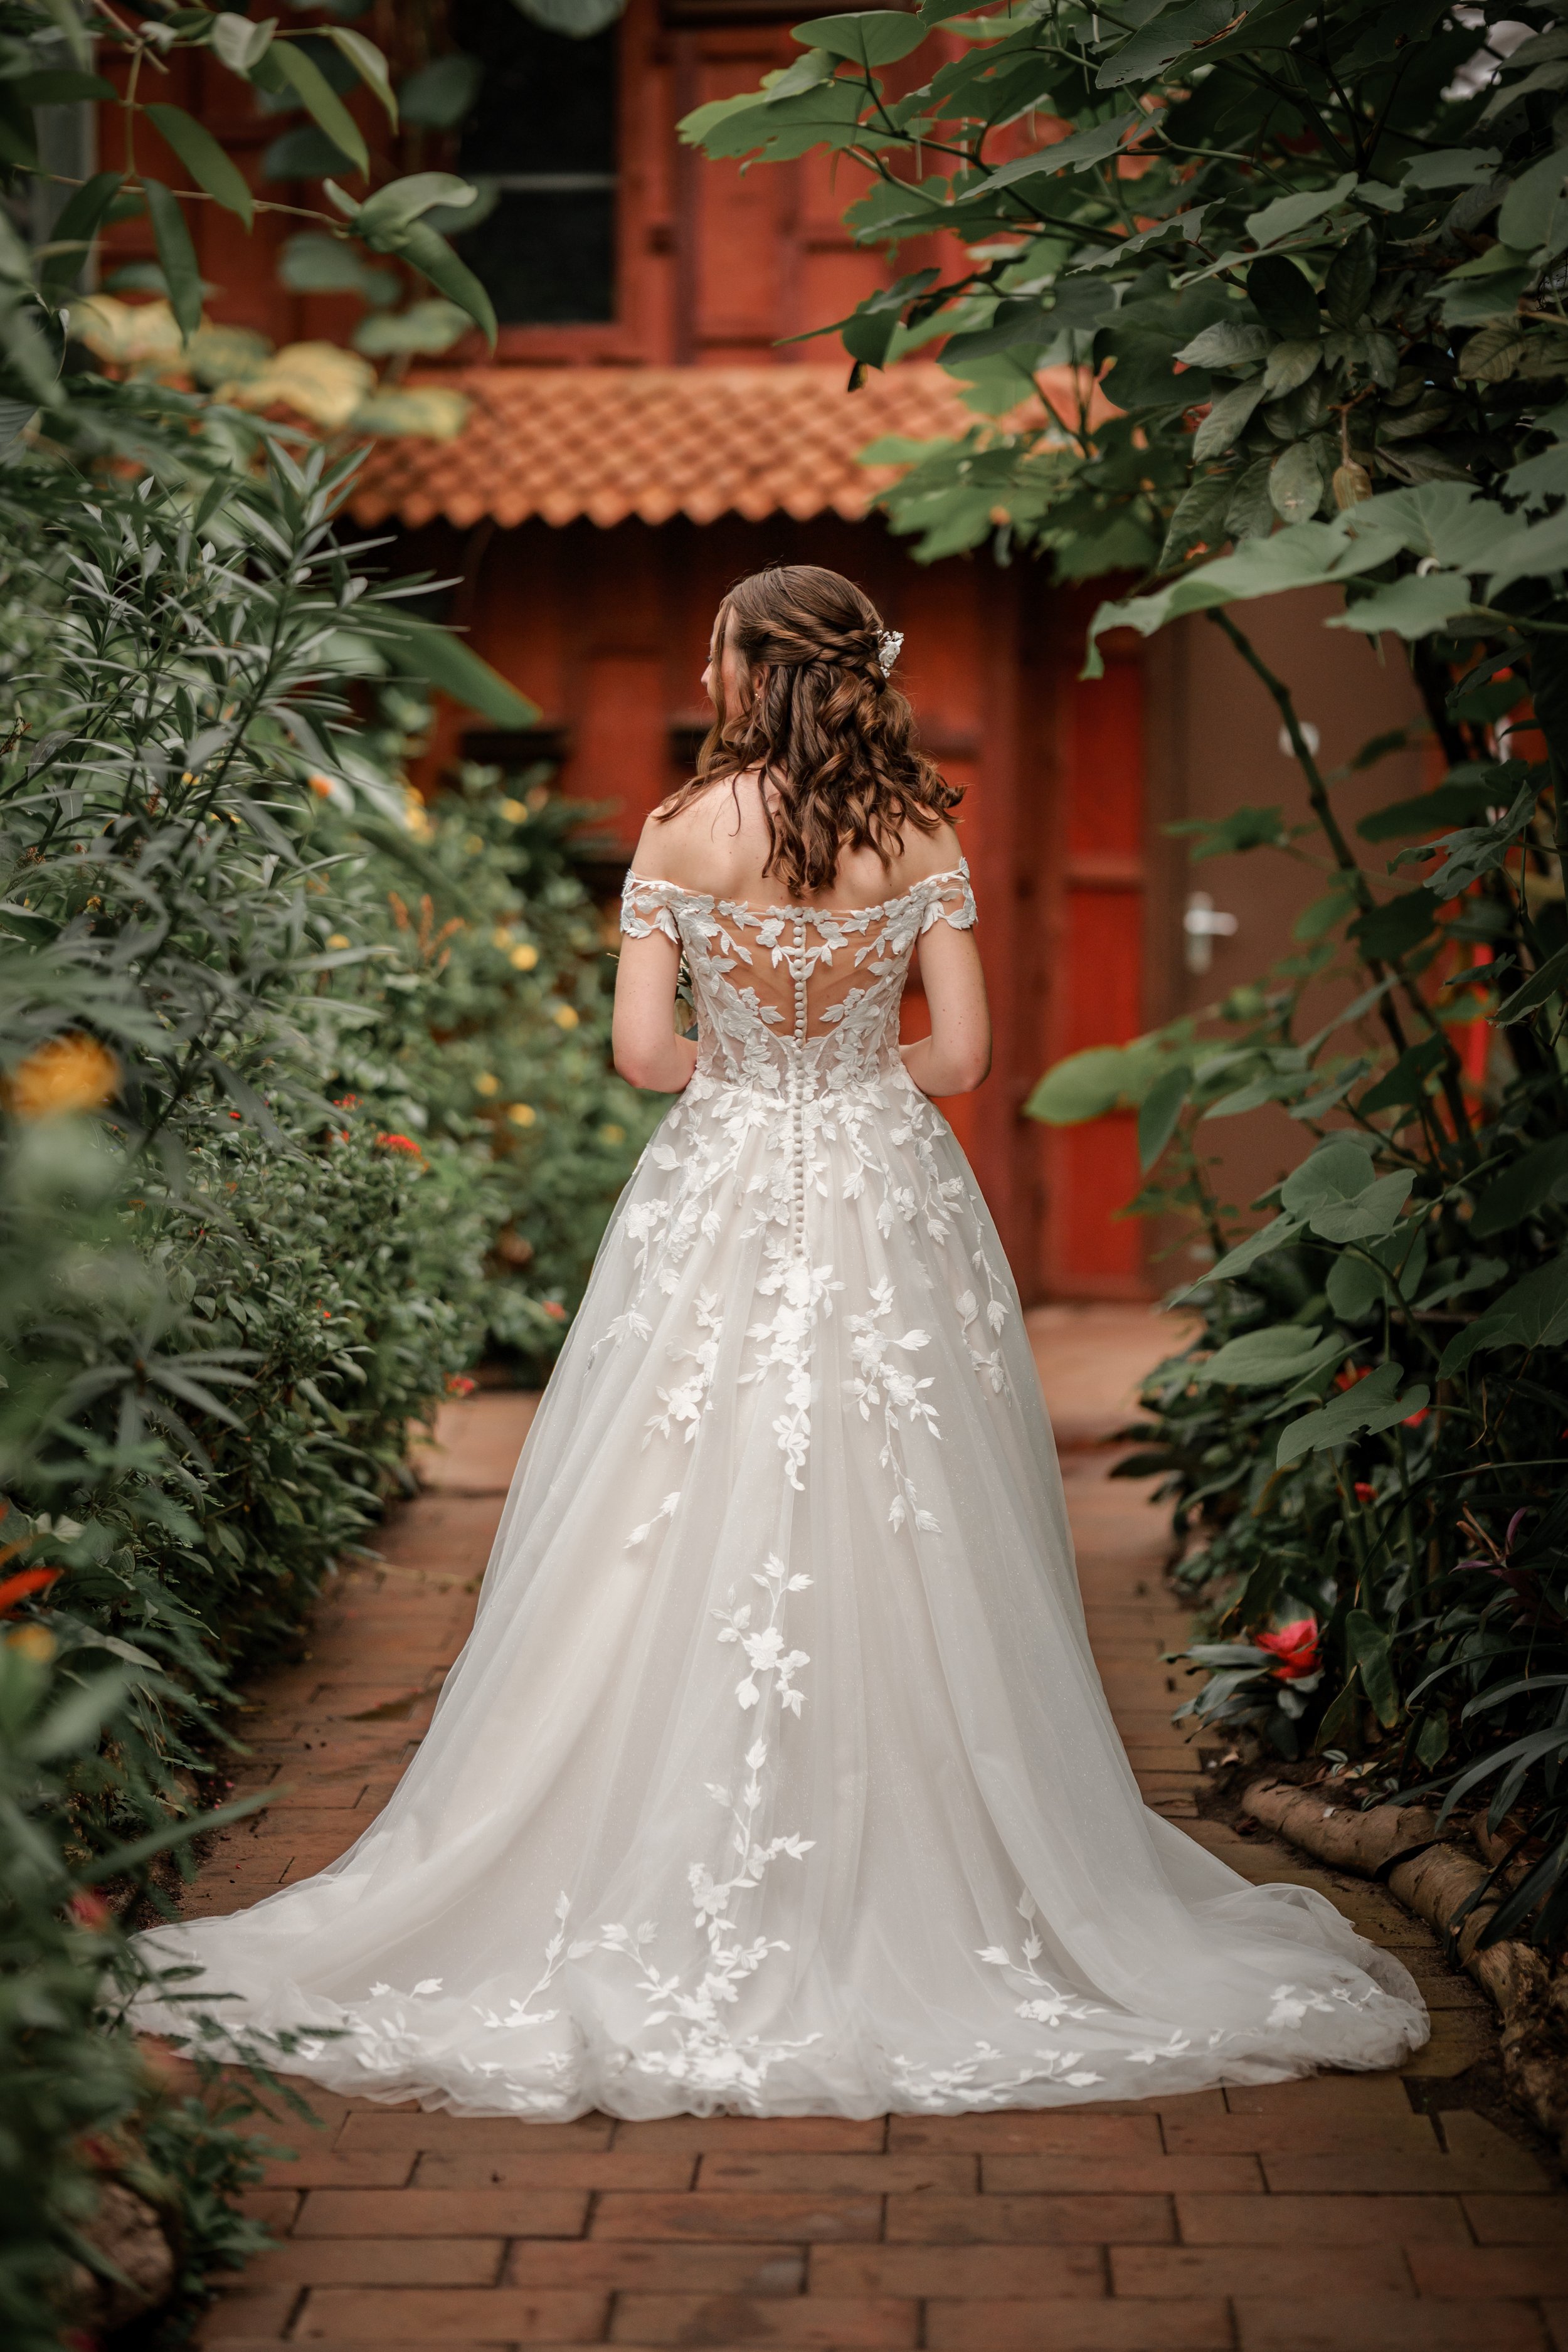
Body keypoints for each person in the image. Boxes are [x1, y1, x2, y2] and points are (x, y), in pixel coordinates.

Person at [129, 564, 1426, 2118]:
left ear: (744, 669)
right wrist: (844, 1059)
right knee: (912, 1495)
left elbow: (637, 1054)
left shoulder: (678, 834)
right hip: (885, 1183)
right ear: (857, 674)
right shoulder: (920, 833)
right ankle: (940, 1865)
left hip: (722, 1178)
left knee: (666, 1487)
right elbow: (961, 1057)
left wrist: (736, 1069)